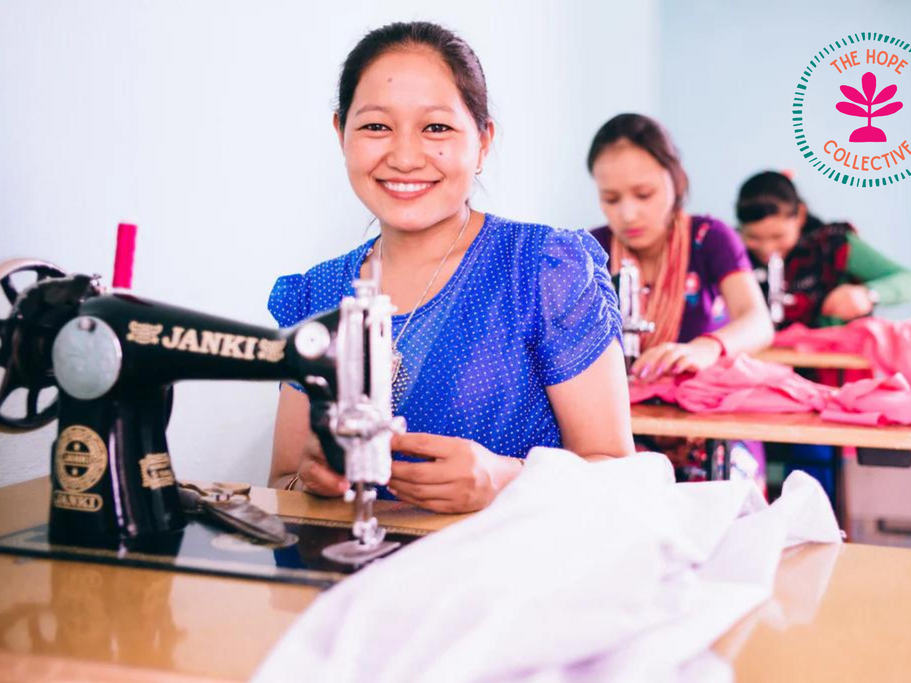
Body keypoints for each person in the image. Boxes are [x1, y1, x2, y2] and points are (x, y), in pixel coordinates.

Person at [267, 22, 634, 514]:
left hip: (513, 578)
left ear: (483, 141)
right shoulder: (317, 294)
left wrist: (508, 480)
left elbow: (617, 470)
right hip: (358, 585)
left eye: (436, 127)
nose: (403, 156)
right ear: (341, 134)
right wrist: (309, 481)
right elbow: (282, 481)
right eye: (376, 126)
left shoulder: (542, 269)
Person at [586, 113, 773, 484]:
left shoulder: (710, 238)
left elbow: (757, 321)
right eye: (610, 199)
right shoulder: (592, 248)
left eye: (644, 194)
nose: (627, 213)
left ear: (676, 181)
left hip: (706, 428)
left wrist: (705, 349)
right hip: (623, 425)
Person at [735, 170, 911, 329]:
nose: (767, 248)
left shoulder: (832, 245)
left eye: (778, 237)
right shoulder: (731, 249)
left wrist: (868, 294)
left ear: (800, 215)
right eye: (753, 238)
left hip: (831, 365)